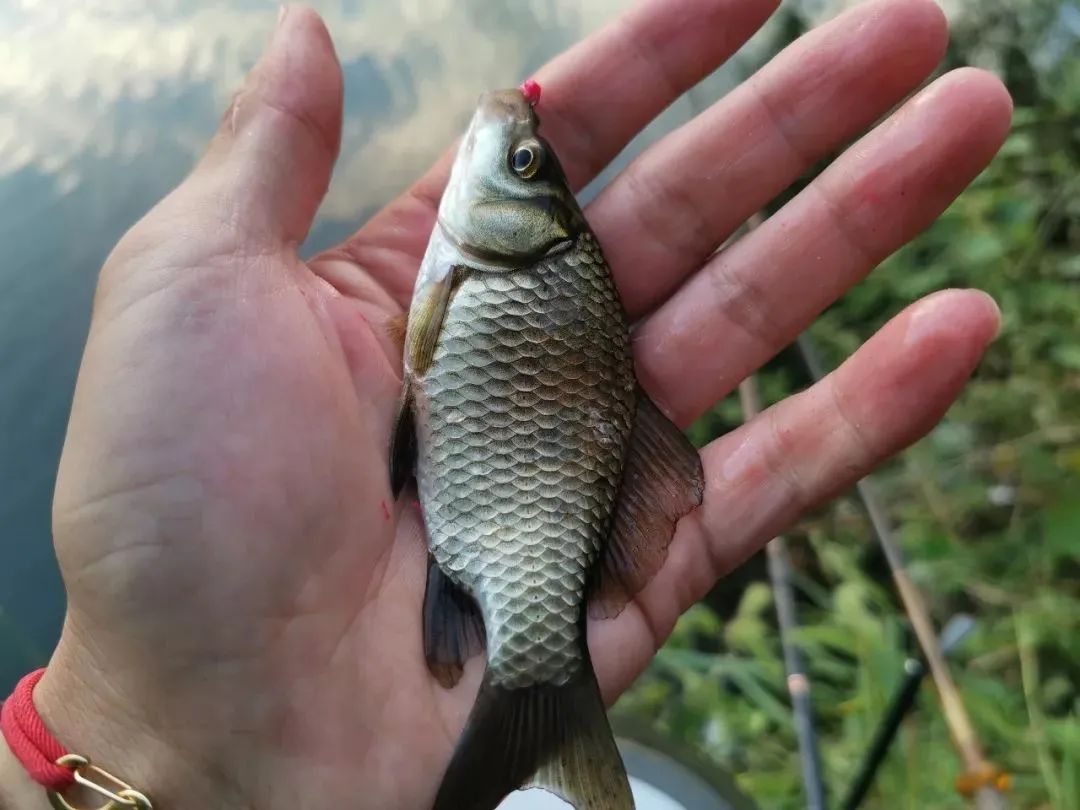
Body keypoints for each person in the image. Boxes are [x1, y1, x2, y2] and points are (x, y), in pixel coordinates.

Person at [0, 0, 1011, 807]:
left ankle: (536, 715)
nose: (516, 146)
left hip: (511, 517)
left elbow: (425, 371)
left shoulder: (482, 273)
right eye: (532, 163)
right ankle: (540, 726)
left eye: (525, 165)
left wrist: (113, 740)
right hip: (503, 510)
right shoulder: (493, 268)